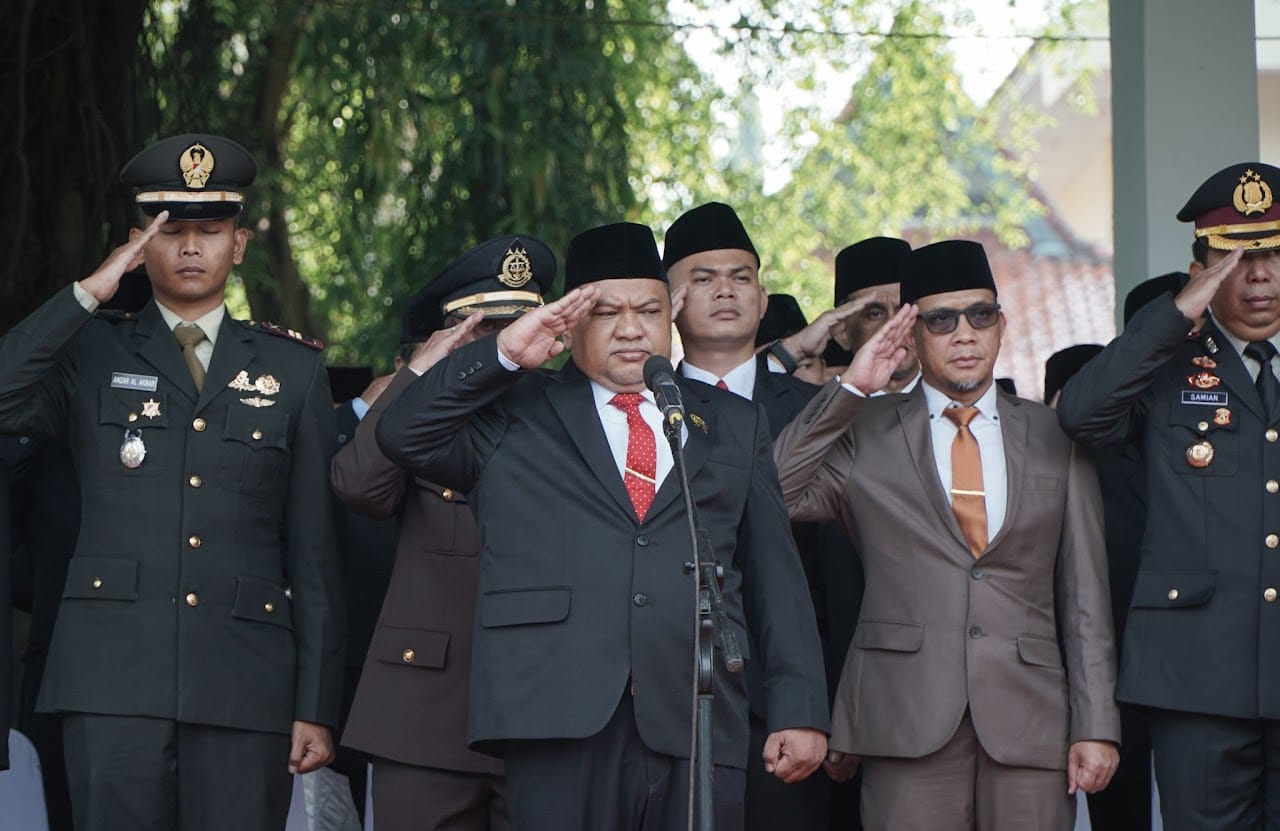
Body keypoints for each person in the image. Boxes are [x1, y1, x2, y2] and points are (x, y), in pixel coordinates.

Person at [374, 221, 829, 830]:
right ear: (569, 324)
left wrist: (800, 708)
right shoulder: (515, 412)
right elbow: (402, 433)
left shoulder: (730, 421)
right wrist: (506, 353)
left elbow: (776, 573)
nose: (630, 328)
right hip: (557, 716)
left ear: (672, 314)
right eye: (605, 311)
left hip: (697, 711)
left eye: (648, 309)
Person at [0, 133, 344, 830]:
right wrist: (86, 294)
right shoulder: (89, 350)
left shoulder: (294, 372)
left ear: (239, 244)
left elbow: (313, 555)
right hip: (112, 681)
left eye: (210, 231)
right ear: (138, 243)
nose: (191, 248)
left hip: (246, 685)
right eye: (172, 231)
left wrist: (315, 701)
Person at [774, 239, 1120, 829]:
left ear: (1001, 325)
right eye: (941, 319)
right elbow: (774, 489)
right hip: (905, 717)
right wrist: (852, 389)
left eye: (980, 315)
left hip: (1030, 719)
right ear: (911, 335)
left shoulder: (1053, 436)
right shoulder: (867, 431)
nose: (964, 334)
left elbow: (1086, 597)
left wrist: (1096, 725)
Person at [1057, 162, 1280, 830]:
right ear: (1202, 269)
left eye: (1273, 253)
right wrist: (1177, 312)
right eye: (1238, 258)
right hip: (1199, 679)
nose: (1261, 274)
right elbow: (1081, 415)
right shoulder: (1167, 361)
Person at [334, 234, 555, 831]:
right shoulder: (420, 412)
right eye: (482, 331)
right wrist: (420, 373)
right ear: (449, 337)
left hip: (541, 712)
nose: (504, 344)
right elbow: (359, 486)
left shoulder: (564, 411)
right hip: (425, 714)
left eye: (518, 324)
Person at [662, 201, 829, 830]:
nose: (725, 290)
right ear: (670, 300)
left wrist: (818, 705)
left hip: (793, 707)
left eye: (741, 276)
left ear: (764, 298)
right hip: (677, 701)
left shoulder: (820, 409)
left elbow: (839, 566)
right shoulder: (638, 408)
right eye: (703, 278)